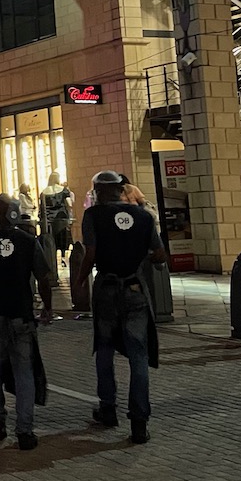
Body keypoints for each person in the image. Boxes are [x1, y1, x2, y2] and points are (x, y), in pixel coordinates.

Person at [82, 169, 165, 445]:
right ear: (120, 190)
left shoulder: (93, 216)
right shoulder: (143, 216)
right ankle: (139, 422)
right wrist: (140, 257)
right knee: (138, 354)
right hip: (135, 289)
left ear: (99, 191)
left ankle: (108, 408)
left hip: (107, 289)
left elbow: (91, 253)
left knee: (105, 349)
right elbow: (160, 255)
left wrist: (80, 280)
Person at [0, 195, 53, 451]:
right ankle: (25, 430)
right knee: (23, 370)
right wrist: (47, 307)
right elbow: (43, 277)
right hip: (21, 315)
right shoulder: (28, 241)